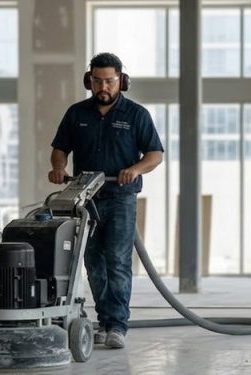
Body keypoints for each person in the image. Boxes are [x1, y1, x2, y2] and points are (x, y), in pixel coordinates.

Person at [49, 52, 164, 349]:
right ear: (89, 81)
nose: (104, 87)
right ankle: (105, 319)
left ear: (121, 81)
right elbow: (60, 148)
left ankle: (117, 326)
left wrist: (135, 169)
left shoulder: (136, 115)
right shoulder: (76, 114)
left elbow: (155, 155)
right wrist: (59, 168)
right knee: (93, 263)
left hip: (121, 199)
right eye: (97, 81)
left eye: (110, 81)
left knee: (117, 262)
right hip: (86, 201)